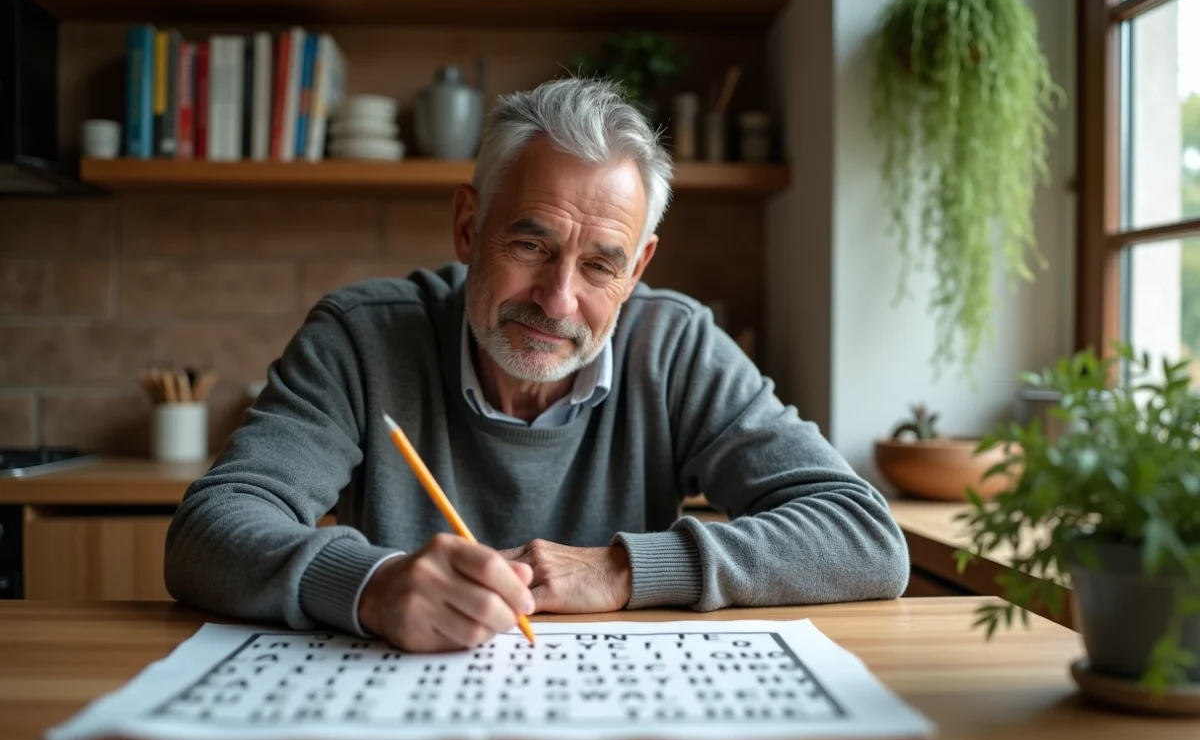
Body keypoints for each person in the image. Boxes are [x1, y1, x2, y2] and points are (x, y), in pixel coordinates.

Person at [164, 77, 909, 654]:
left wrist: (620, 571)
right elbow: (208, 531)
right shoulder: (359, 338)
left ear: (638, 267)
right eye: (530, 245)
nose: (557, 300)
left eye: (600, 265)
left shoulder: (676, 346)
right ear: (468, 226)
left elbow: (862, 537)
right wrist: (370, 584)